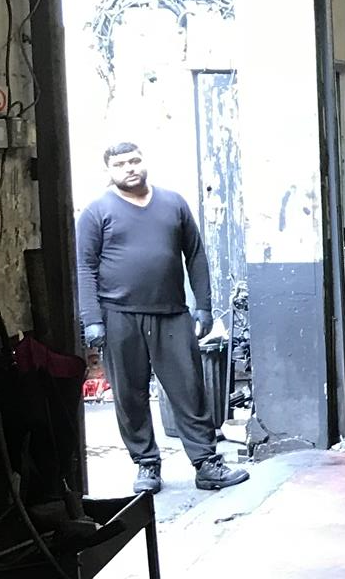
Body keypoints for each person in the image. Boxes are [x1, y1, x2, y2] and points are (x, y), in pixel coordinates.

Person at [76, 141, 248, 496]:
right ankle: (147, 464)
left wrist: (203, 306)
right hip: (119, 315)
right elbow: (85, 267)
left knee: (189, 390)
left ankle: (206, 464)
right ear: (108, 171)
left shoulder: (173, 203)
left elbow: (195, 255)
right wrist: (92, 319)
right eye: (120, 164)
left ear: (144, 162)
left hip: (172, 314)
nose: (129, 168)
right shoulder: (96, 211)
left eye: (135, 160)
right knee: (130, 395)